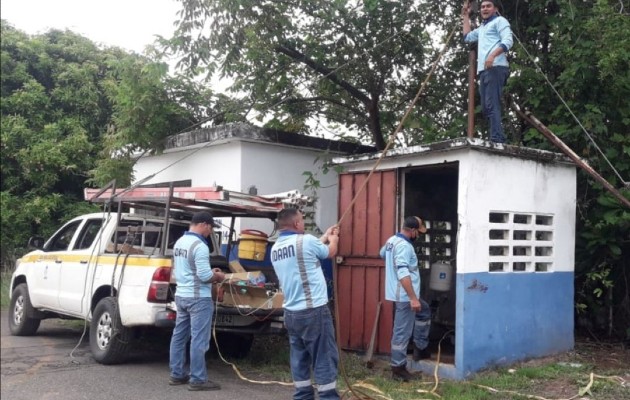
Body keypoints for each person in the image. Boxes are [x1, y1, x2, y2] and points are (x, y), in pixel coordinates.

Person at [270, 208, 340, 400]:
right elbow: (330, 252)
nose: (304, 223)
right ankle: (328, 397)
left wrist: (325, 235)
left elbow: (308, 250)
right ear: (296, 224)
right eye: (302, 220)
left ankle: (302, 396)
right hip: (313, 310)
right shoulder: (306, 241)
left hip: (291, 313)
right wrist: (333, 239)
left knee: (299, 358)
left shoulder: (276, 248)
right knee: (323, 356)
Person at [169, 211, 226, 391]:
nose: (210, 233)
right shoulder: (200, 246)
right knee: (199, 339)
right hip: (198, 298)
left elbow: (188, 268)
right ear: (205, 225)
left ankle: (177, 374)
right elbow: (203, 276)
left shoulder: (180, 242)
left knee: (179, 336)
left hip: (181, 295)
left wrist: (210, 271)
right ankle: (198, 379)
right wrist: (217, 276)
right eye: (210, 230)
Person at [380, 216, 432, 382]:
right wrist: (412, 298)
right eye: (419, 232)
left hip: (404, 294)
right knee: (401, 332)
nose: (419, 235)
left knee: (424, 312)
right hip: (404, 296)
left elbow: (382, 254)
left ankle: (420, 347)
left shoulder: (392, 241)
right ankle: (398, 368)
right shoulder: (404, 246)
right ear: (413, 231)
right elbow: (403, 273)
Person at [462, 0, 513, 144]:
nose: (484, 9)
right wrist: (465, 16)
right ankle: (498, 135)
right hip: (484, 70)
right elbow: (467, 37)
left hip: (496, 67)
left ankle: (497, 138)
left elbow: (508, 41)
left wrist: (492, 55)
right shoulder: (483, 28)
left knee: (491, 104)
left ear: (495, 8)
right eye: (483, 7)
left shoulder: (500, 21)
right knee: (485, 107)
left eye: (488, 6)